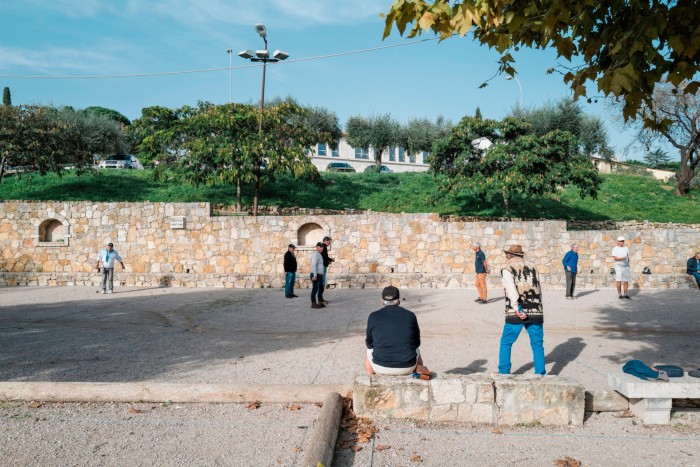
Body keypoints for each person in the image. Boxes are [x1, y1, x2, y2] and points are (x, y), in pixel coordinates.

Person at [496, 245, 545, 376]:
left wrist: (516, 307)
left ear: (509, 255)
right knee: (537, 343)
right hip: (536, 309)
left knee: (506, 342)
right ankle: (540, 374)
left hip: (517, 310)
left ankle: (504, 372)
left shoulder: (507, 269)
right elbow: (538, 288)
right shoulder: (533, 267)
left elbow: (511, 290)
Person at [364, 286, 425, 375]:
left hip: (380, 366)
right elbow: (417, 343)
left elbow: (369, 343)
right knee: (416, 349)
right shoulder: (410, 316)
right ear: (399, 300)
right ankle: (418, 375)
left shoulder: (373, 316)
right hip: (408, 367)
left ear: (382, 300)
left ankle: (372, 376)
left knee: (369, 350)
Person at [310, 242, 326, 309]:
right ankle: (313, 303)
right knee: (315, 289)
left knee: (321, 288)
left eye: (322, 247)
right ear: (316, 247)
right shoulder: (315, 254)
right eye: (320, 247)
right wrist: (315, 275)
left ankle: (320, 301)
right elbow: (313, 265)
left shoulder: (319, 254)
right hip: (316, 274)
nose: (321, 249)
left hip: (320, 274)